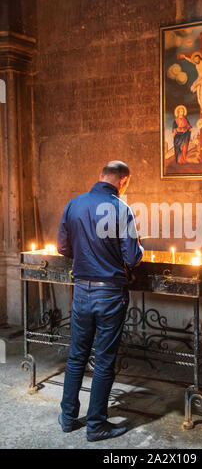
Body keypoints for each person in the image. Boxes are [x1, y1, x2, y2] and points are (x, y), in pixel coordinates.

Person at [57, 161, 144, 442]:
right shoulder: (121, 209)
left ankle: (68, 418)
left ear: (100, 176)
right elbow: (132, 257)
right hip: (109, 294)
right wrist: (138, 248)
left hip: (81, 290)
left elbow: (62, 247)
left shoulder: (74, 204)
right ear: (123, 181)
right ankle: (96, 425)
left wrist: (86, 257)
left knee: (76, 356)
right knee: (104, 360)